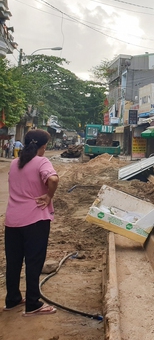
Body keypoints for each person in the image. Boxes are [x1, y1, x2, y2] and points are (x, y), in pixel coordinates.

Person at [4, 129, 59, 316]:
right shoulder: (42, 161)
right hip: (35, 220)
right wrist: (48, 196)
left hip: (12, 220)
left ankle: (12, 299)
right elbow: (53, 178)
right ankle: (33, 304)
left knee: (14, 261)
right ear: (43, 147)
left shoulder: (14, 163)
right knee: (33, 262)